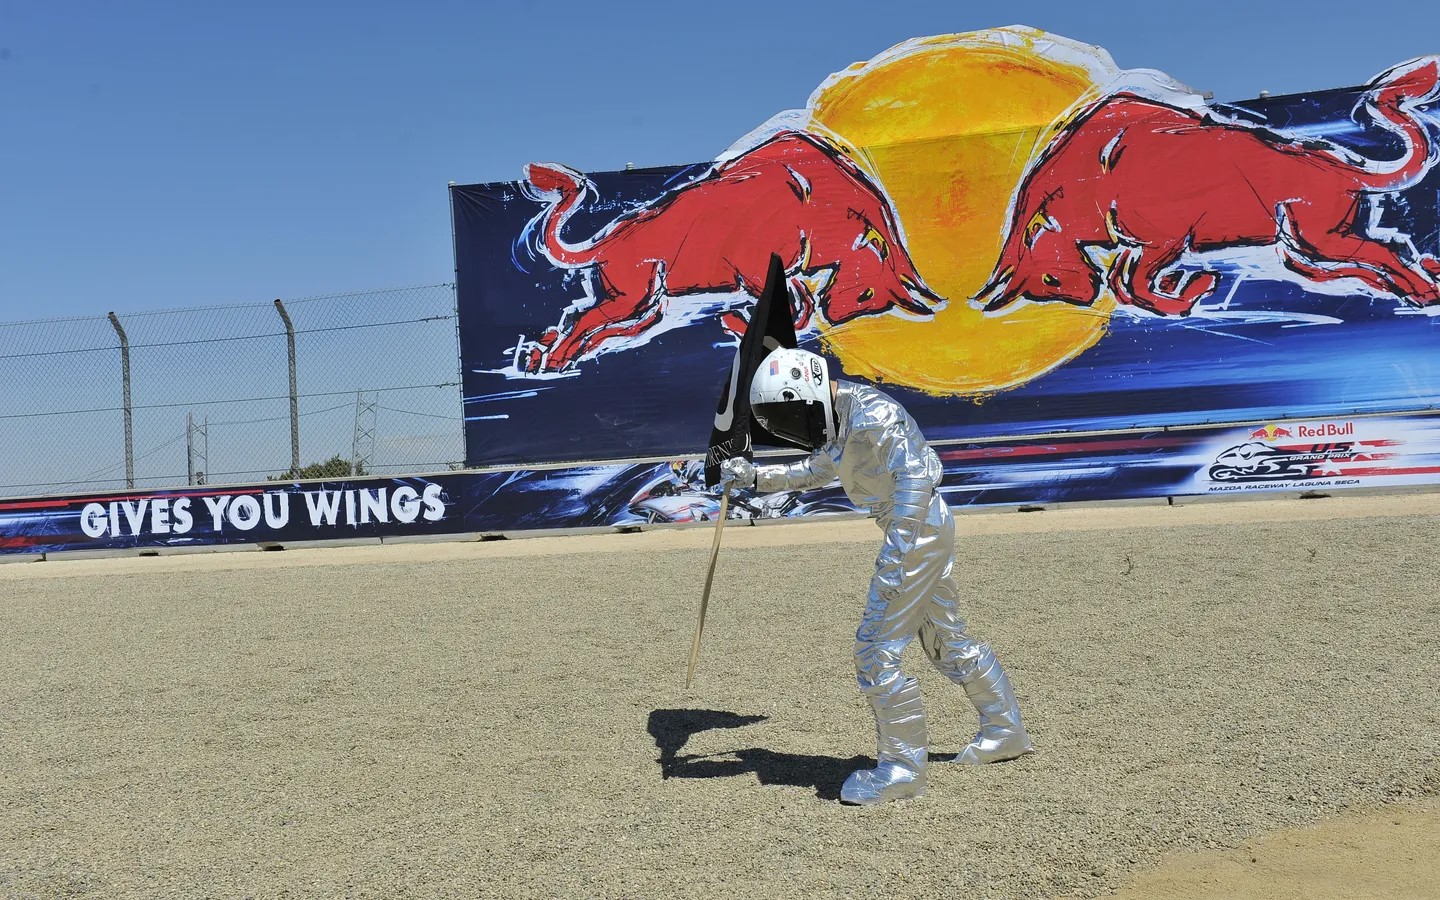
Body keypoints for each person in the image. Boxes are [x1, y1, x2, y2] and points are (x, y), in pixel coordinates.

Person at [719, 346, 1033, 805]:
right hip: (920, 530)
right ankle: (1005, 731)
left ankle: (902, 770)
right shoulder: (842, 418)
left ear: (804, 396)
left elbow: (915, 479)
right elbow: (815, 469)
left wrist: (897, 554)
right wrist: (754, 477)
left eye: (789, 415)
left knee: (874, 652)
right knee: (947, 640)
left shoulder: (874, 414)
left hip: (915, 530)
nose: (792, 428)